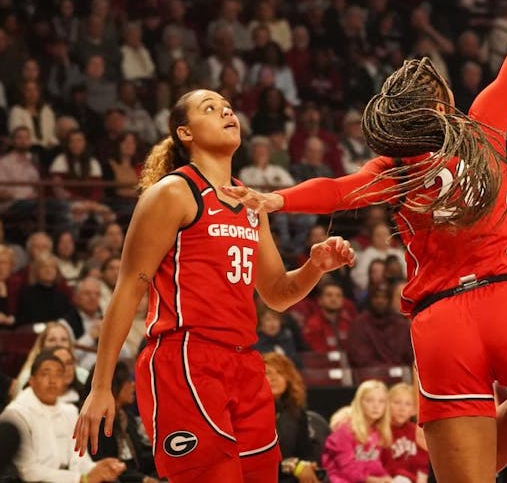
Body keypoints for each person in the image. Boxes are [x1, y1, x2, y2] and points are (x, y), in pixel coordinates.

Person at [230, 0, 507, 483]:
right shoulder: (483, 129)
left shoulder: (394, 172)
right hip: (500, 299)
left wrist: (275, 199)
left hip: (440, 320)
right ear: (444, 105)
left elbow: (335, 189)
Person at [74, 89, 355, 483]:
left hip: (244, 360)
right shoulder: (174, 192)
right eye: (210, 108)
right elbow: (127, 290)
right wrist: (100, 386)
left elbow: (276, 293)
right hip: (185, 356)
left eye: (228, 107)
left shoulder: (252, 203)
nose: (226, 112)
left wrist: (314, 267)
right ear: (185, 132)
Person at [4, 349, 126, 483]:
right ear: (31, 380)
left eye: (59, 374)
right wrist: (81, 479)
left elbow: (79, 460)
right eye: (45, 373)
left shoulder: (70, 411)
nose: (53, 380)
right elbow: (28, 471)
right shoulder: (15, 413)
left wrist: (99, 469)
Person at [263, 353, 329, 483]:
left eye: (280, 373)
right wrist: (293, 466)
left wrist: (307, 465)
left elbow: (305, 453)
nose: (274, 378)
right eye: (269, 373)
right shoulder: (248, 413)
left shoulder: (296, 413)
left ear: (289, 379)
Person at [91, 362, 158, 482]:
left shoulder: (127, 416)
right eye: (128, 381)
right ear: (114, 385)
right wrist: (142, 479)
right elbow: (102, 464)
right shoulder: (97, 421)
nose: (133, 385)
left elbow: (139, 458)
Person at [321, 380, 392, 483]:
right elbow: (346, 469)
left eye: (381, 401)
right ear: (359, 402)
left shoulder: (377, 430)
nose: (376, 406)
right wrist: (374, 480)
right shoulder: (344, 430)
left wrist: (385, 477)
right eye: (369, 400)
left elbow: (374, 465)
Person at [384, 383, 429, 483]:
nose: (402, 409)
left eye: (408, 404)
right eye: (397, 402)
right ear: (387, 404)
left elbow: (423, 467)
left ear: (414, 410)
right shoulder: (381, 429)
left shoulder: (417, 431)